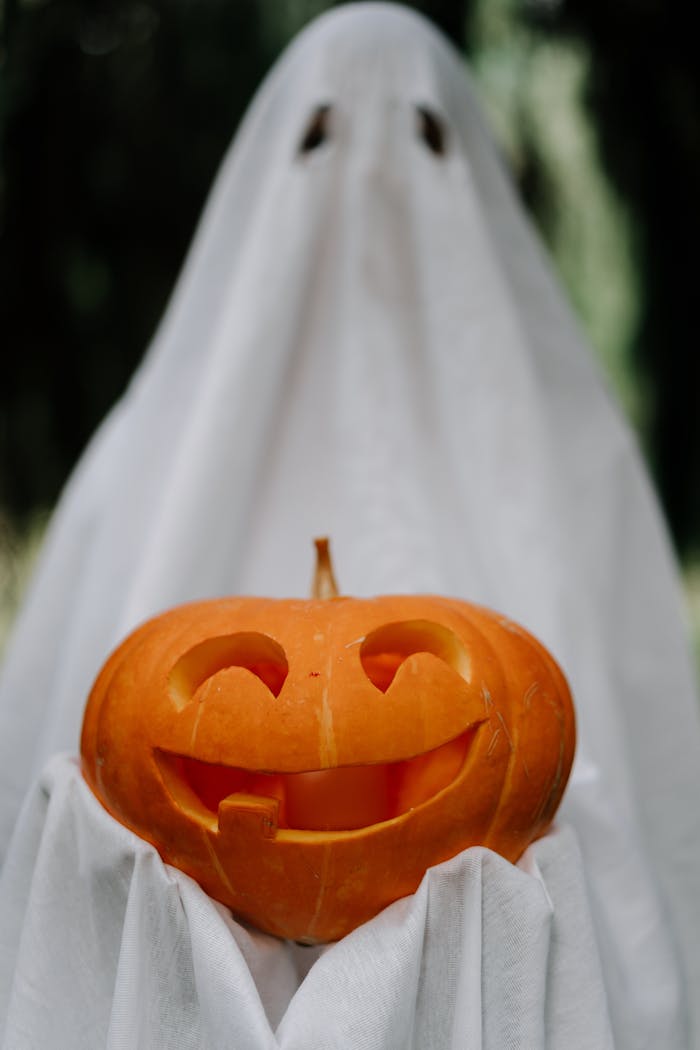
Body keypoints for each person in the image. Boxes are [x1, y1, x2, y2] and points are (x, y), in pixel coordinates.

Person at [1, 5, 699, 1047]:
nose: (370, 175)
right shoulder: (152, 447)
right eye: (322, 138)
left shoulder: (576, 452)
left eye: (420, 138)